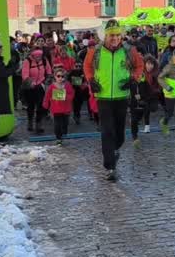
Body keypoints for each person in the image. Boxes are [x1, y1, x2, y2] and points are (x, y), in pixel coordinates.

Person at [83, 20, 143, 181]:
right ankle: (110, 167)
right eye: (111, 35)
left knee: (120, 134)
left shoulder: (129, 50)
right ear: (105, 36)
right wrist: (91, 80)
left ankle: (114, 150)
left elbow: (139, 66)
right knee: (107, 131)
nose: (115, 38)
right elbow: (87, 66)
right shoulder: (95, 51)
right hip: (103, 97)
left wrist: (133, 79)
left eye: (117, 35)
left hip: (122, 96)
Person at [129, 56, 160, 147]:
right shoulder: (131, 77)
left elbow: (149, 90)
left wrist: (146, 99)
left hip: (143, 102)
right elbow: (126, 87)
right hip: (133, 102)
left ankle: (144, 127)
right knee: (134, 120)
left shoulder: (144, 77)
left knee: (138, 118)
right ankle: (135, 137)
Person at [21, 40, 52, 133]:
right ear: (33, 55)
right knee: (30, 106)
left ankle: (39, 123)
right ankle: (30, 121)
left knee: (40, 106)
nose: (38, 57)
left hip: (40, 85)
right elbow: (25, 74)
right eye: (37, 56)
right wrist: (30, 82)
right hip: (30, 87)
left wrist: (48, 79)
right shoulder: (28, 61)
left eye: (40, 55)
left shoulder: (44, 60)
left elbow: (49, 70)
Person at [43, 67, 75, 146]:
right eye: (58, 76)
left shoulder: (67, 85)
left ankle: (63, 132)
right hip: (56, 109)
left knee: (65, 123)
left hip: (66, 109)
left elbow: (72, 94)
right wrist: (45, 105)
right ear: (55, 76)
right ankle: (58, 139)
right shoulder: (52, 86)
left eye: (62, 76)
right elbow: (47, 96)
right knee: (57, 124)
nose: (60, 78)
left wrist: (65, 97)